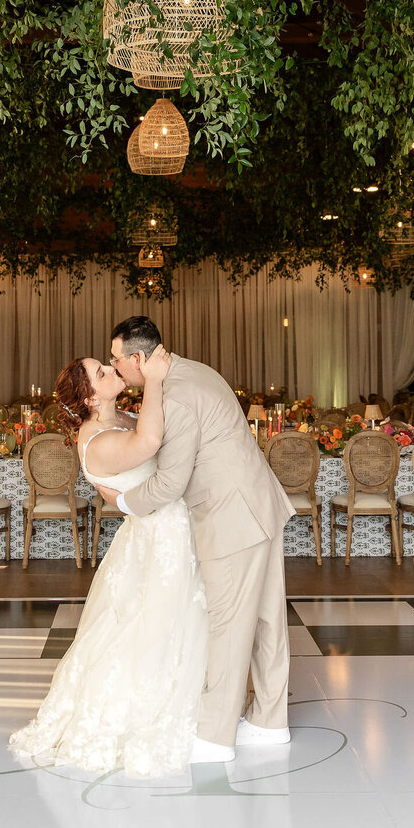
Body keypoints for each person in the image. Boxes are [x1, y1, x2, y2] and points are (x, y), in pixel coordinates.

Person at [8, 344, 208, 779]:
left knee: (181, 621)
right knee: (153, 628)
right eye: (101, 372)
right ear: (89, 398)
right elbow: (151, 443)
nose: (110, 368)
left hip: (168, 528)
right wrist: (153, 378)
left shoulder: (121, 417)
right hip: (158, 538)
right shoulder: (95, 441)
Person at [104, 315, 295, 763]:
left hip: (233, 518)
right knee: (268, 619)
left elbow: (170, 483)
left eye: (117, 359)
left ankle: (213, 738)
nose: (116, 368)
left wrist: (124, 503)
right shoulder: (193, 370)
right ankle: (271, 722)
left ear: (138, 358)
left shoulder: (178, 397)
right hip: (258, 505)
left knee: (228, 625)